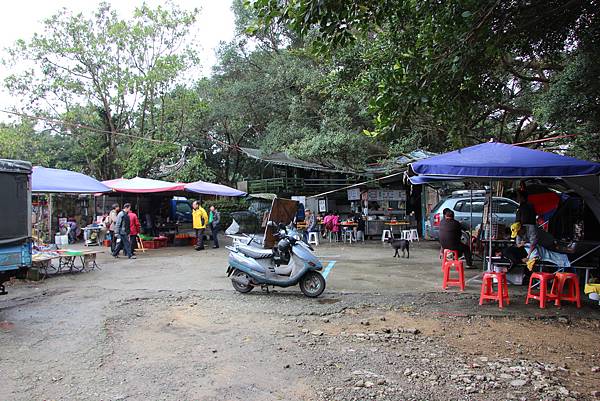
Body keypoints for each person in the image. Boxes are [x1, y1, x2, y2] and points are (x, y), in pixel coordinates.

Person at [515, 191, 538, 260]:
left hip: (528, 227)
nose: (517, 198)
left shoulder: (525, 206)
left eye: (518, 196)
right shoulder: (525, 206)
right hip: (525, 227)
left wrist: (528, 256)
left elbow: (533, 243)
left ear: (522, 197)